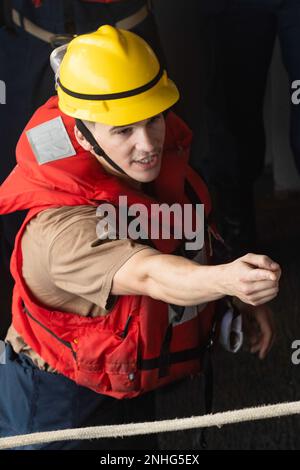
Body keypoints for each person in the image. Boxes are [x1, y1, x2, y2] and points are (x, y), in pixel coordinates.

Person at [0, 25, 280, 450]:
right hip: (58, 402)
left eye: (153, 120)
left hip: (128, 380)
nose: (147, 144)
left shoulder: (145, 168)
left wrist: (233, 299)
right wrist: (229, 279)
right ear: (82, 134)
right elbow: (150, 274)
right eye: (124, 131)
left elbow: (187, 236)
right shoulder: (56, 229)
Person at [0, 0, 164, 338]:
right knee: (27, 199)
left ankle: (150, 340)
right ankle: (40, 345)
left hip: (125, 45)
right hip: (31, 47)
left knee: (147, 182)